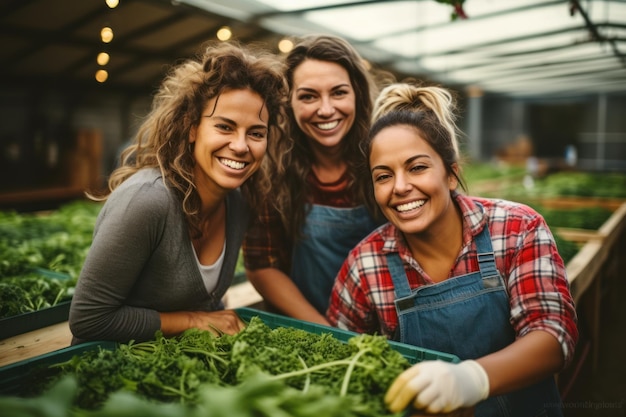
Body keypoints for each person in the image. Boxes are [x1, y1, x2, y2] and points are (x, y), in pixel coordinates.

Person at [326, 82, 578, 416]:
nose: (400, 187)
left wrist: (471, 379)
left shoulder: (517, 228)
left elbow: (553, 335)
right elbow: (337, 362)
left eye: (417, 167)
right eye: (383, 176)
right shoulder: (365, 263)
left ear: (451, 175)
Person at [68, 41, 288, 344]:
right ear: (191, 127)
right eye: (225, 127)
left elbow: (207, 304)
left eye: (256, 133)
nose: (241, 145)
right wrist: (194, 321)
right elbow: (89, 319)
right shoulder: (147, 201)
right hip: (111, 374)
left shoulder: (239, 203)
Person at [242, 34, 388, 324]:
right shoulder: (270, 172)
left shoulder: (385, 156)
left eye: (338, 93)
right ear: (289, 102)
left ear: (357, 94)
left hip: (391, 326)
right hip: (310, 328)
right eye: (308, 96)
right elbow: (262, 267)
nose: (325, 109)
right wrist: (328, 332)